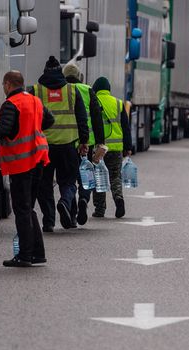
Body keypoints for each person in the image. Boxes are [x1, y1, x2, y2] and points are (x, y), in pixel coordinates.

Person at [0, 70, 54, 268]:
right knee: (28, 208)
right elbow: (49, 120)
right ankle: (37, 253)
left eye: (3, 85)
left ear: (8, 84)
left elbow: (4, 130)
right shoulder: (34, 101)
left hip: (21, 162)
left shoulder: (11, 104)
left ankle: (25, 255)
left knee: (22, 209)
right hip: (39, 159)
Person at [32, 56, 90, 231]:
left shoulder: (36, 91)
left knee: (44, 185)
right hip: (68, 145)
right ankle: (64, 202)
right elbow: (82, 118)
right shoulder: (72, 91)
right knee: (69, 182)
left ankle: (49, 221)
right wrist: (84, 141)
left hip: (44, 148)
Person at [63, 63, 106, 226]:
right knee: (86, 177)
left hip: (66, 141)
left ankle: (72, 214)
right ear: (79, 75)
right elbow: (96, 118)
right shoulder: (88, 90)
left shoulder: (63, 90)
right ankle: (83, 198)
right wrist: (100, 142)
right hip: (87, 142)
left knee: (69, 179)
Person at [91, 77, 133, 219]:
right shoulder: (118, 103)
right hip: (116, 148)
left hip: (99, 148)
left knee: (99, 177)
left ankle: (99, 209)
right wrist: (128, 147)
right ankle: (118, 199)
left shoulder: (93, 101)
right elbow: (126, 128)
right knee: (115, 176)